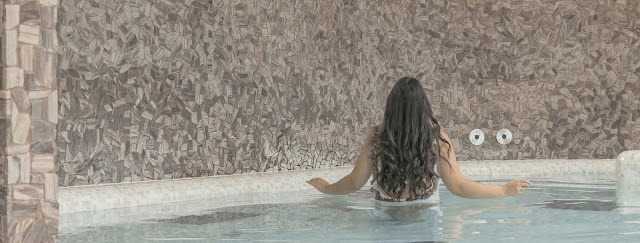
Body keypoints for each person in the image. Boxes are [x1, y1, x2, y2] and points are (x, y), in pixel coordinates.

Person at [307, 77, 531, 201]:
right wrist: (503, 190)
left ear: (391, 109)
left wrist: (327, 189)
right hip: (425, 220)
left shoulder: (376, 137)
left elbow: (354, 183)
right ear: (424, 108)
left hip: (386, 222)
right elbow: (459, 187)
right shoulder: (437, 138)